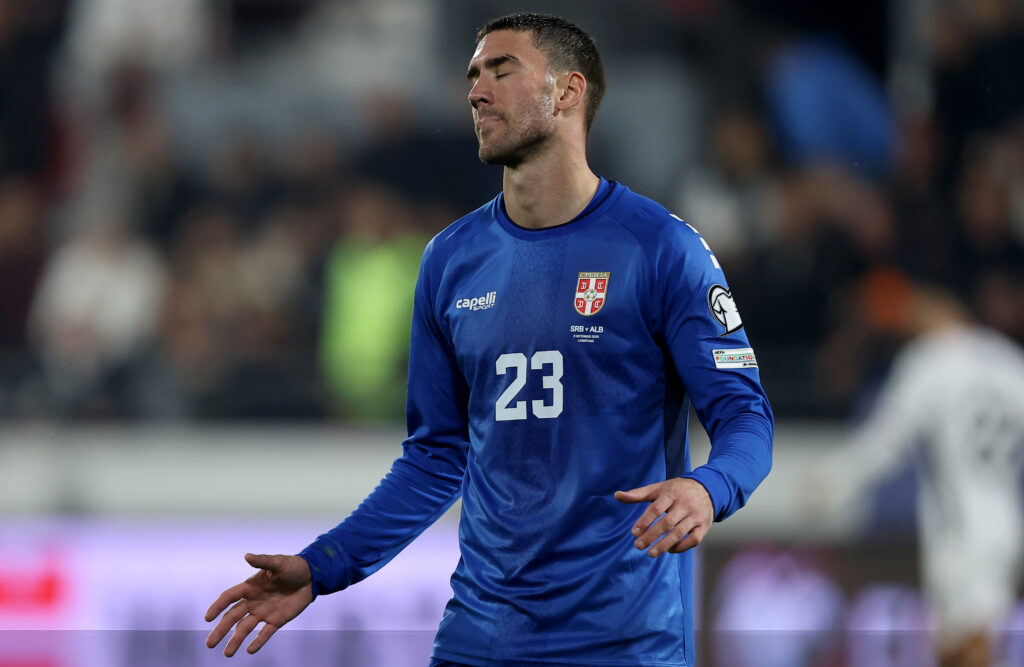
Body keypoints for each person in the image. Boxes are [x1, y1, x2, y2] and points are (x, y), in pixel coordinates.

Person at [204, 13, 774, 666]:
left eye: (502, 71)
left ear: (568, 91)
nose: (477, 91)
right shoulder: (450, 260)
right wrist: (323, 564)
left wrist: (708, 488)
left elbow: (746, 415)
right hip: (480, 640)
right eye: (474, 75)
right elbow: (435, 457)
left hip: (623, 642)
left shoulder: (662, 248)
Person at [811, 281, 1024, 667]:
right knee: (963, 641)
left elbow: (885, 440)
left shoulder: (932, 360)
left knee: (972, 643)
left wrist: (835, 478)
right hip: (1004, 521)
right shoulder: (1010, 361)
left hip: (959, 527)